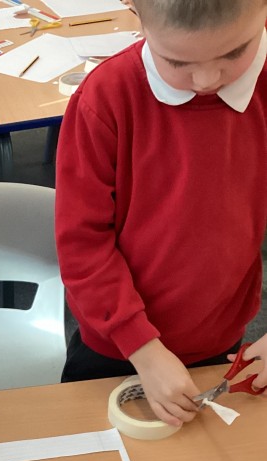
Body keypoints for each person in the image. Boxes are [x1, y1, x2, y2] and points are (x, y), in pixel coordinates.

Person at [55, 0, 267, 427]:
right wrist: (143, 349)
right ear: (134, 12)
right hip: (116, 344)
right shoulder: (106, 97)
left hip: (220, 339)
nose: (207, 80)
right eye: (178, 62)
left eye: (233, 53)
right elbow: (82, 243)